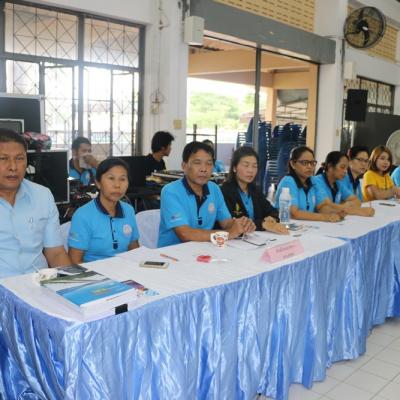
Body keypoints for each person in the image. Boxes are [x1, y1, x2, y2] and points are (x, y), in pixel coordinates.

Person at [0, 129, 71, 278]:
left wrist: (75, 283)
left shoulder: (42, 196)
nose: (13, 167)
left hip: (38, 282)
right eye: (3, 158)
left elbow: (55, 252)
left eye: (19, 158)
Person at [158, 141, 255, 247]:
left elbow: (226, 223)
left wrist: (241, 224)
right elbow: (185, 234)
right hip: (171, 253)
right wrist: (227, 234)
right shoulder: (170, 191)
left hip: (204, 250)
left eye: (209, 163)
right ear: (184, 166)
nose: (204, 169)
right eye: (197, 163)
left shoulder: (214, 189)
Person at [68, 157, 140, 263]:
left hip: (125, 269)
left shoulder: (128, 210)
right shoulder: (82, 216)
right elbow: (74, 261)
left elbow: (134, 250)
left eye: (122, 179)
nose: (117, 185)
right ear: (98, 183)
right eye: (111, 178)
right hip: (93, 271)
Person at [221, 146, 288, 234]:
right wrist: (263, 224)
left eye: (254, 166)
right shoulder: (225, 191)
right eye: (246, 165)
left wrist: (271, 219)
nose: (251, 170)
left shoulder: (255, 190)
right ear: (234, 168)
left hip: (257, 237)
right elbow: (234, 223)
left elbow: (273, 211)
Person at [275, 146, 343, 222]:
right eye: (305, 163)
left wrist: (334, 213)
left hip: (307, 226)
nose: (310, 166)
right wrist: (325, 217)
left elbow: (322, 205)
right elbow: (293, 213)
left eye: (312, 163)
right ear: (293, 164)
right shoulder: (288, 182)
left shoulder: (313, 181)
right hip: (287, 225)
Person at [313, 151, 374, 217]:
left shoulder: (338, 183)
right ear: (330, 166)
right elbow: (325, 209)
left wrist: (339, 207)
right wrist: (358, 211)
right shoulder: (317, 181)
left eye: (347, 168)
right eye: (342, 167)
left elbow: (357, 201)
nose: (345, 171)